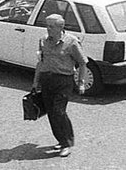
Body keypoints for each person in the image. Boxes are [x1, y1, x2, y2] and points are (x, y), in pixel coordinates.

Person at [31, 14, 87, 158]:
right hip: (47, 80)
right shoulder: (43, 41)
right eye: (47, 26)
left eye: (51, 26)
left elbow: (82, 62)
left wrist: (81, 83)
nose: (48, 29)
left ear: (61, 27)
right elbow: (40, 62)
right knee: (51, 112)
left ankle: (67, 143)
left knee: (59, 112)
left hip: (63, 81)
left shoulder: (71, 42)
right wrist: (35, 82)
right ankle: (61, 140)